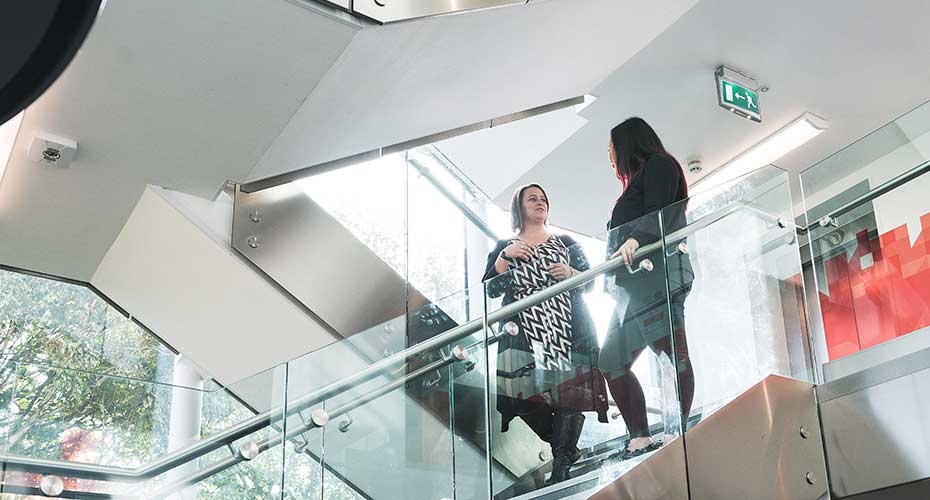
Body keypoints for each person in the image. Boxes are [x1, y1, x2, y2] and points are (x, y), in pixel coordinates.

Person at [483, 183, 608, 485]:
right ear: (519, 207)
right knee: (522, 398)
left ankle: (562, 466)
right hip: (524, 334)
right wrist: (503, 259)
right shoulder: (505, 245)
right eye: (532, 199)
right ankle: (564, 446)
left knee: (570, 395)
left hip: (569, 328)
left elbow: (589, 283)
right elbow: (490, 289)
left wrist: (570, 274)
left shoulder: (565, 241)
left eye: (543, 200)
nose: (540, 203)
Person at [599, 117, 695, 458]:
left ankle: (680, 430)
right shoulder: (635, 181)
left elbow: (660, 212)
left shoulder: (660, 165)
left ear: (626, 145)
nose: (610, 158)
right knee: (611, 360)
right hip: (632, 288)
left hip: (656, 279)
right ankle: (639, 436)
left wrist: (636, 239)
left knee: (671, 353)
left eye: (611, 150)